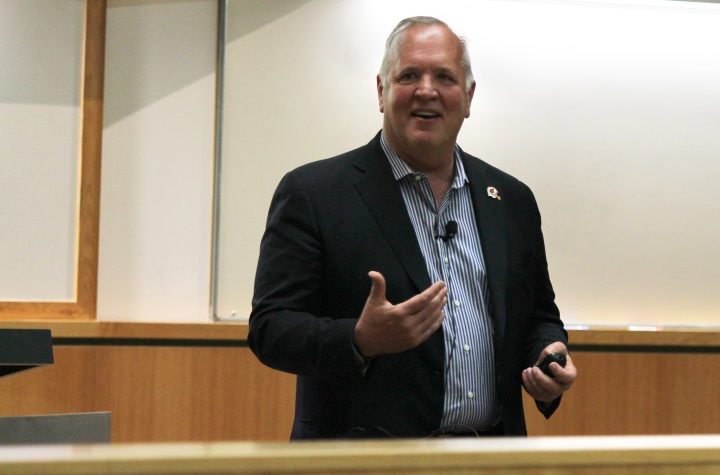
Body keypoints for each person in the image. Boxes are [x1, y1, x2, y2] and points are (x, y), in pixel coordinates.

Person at [249, 16, 576, 440]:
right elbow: (270, 328)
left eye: (444, 76)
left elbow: (538, 316)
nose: (427, 90)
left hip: (491, 461)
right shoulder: (314, 193)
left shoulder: (511, 200)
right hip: (360, 465)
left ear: (468, 96)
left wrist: (547, 354)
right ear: (381, 91)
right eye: (409, 75)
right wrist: (359, 338)